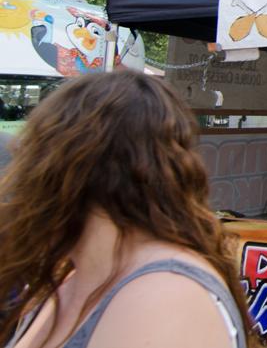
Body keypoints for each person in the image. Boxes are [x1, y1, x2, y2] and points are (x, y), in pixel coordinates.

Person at [0, 70, 251, 348]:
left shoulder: (165, 294)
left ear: (64, 169)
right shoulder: (75, 276)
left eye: (31, 159)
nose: (19, 184)